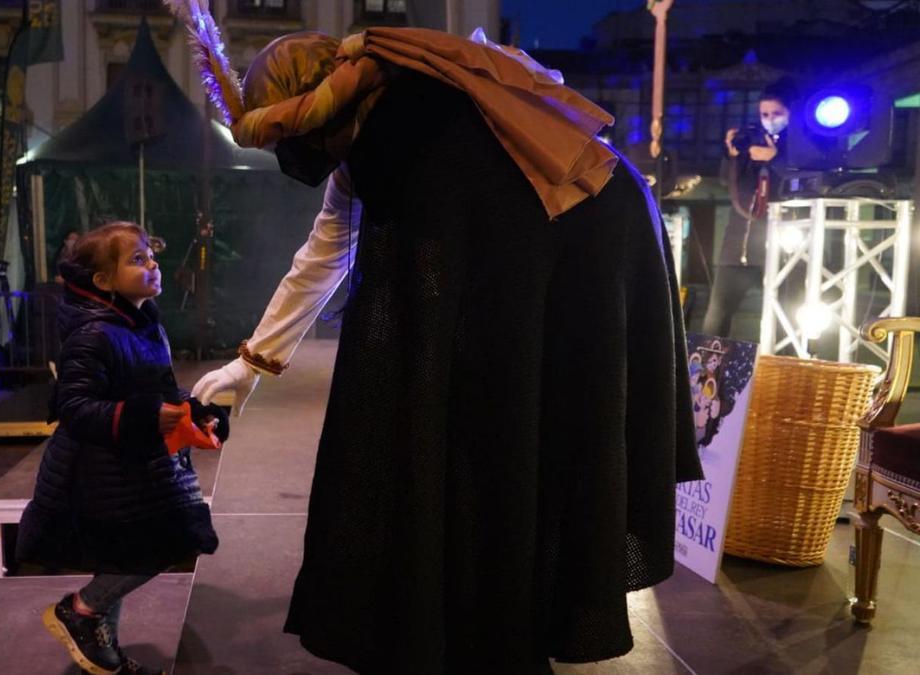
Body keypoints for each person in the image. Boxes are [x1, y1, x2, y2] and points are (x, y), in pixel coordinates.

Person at [174, 11, 699, 672]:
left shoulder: (425, 111)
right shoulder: (400, 109)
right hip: (592, 249)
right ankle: (489, 614)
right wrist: (250, 365)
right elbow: (325, 254)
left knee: (500, 446)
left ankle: (496, 622)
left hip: (581, 248)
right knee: (498, 447)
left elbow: (470, 258)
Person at [15, 222, 227, 675]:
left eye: (151, 255)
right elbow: (73, 406)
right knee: (156, 548)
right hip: (100, 475)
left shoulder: (141, 322)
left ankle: (102, 655)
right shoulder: (93, 335)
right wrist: (143, 415)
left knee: (127, 554)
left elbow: (155, 387)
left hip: (134, 470)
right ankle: (82, 609)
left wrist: (196, 410)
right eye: (137, 259)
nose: (152, 264)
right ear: (103, 282)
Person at [702, 79, 795, 338]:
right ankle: (708, 375)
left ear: (791, 113)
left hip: (780, 248)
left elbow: (802, 183)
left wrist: (775, 159)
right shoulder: (750, 142)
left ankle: (784, 372)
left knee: (785, 316)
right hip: (736, 247)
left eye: (777, 113)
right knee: (716, 315)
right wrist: (732, 155)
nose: (770, 119)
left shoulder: (797, 146)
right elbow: (726, 183)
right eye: (765, 114)